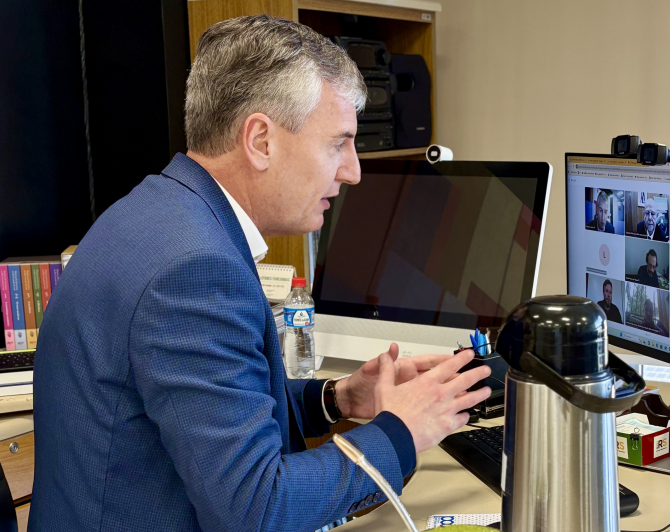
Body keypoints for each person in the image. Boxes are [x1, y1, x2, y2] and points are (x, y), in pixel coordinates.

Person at [29, 16, 492, 532]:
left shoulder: (156, 213)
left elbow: (213, 412)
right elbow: (259, 510)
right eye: (338, 143)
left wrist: (337, 398)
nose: (353, 171)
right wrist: (402, 431)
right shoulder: (193, 270)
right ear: (261, 140)